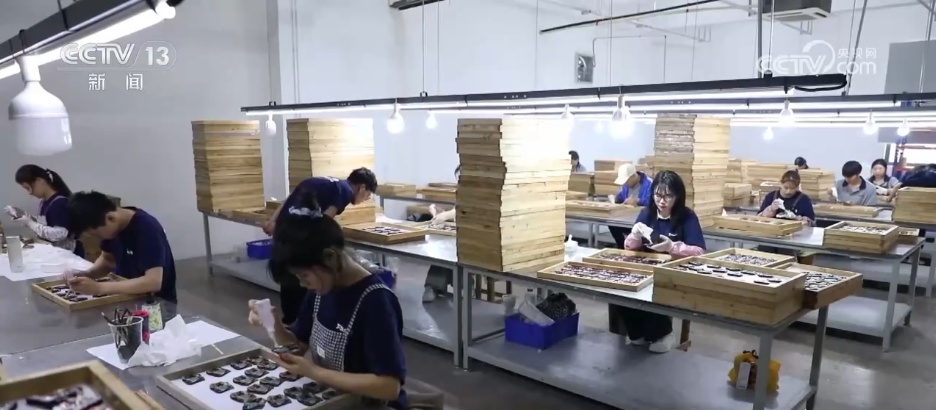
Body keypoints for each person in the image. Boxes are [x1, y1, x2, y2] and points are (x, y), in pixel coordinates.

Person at [249, 189, 408, 409]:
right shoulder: (321, 289)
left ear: (330, 257)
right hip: (333, 398)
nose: (303, 284)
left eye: (304, 276)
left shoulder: (376, 302)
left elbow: (389, 386)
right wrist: (274, 325)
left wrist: (315, 372)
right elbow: (299, 346)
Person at [265, 167, 378, 325]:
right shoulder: (345, 192)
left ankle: (290, 320)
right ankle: (300, 322)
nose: (365, 199)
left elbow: (289, 199)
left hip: (285, 232)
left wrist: (272, 221)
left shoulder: (327, 182)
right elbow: (323, 224)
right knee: (303, 281)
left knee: (291, 278)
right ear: (362, 187)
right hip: (299, 239)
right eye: (368, 195)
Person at [608, 171, 705, 354]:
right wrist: (634, 236)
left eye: (668, 196)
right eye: (658, 195)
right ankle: (637, 332)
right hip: (646, 268)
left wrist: (672, 247)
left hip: (673, 271)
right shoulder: (647, 213)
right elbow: (629, 248)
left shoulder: (687, 216)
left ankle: (663, 334)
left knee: (654, 291)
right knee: (620, 289)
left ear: (678, 196)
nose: (662, 201)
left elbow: (699, 251)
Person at [64, 191, 177, 303]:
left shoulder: (147, 229)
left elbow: (153, 282)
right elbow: (107, 260)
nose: (97, 238)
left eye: (97, 234)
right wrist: (89, 274)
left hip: (155, 302)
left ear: (111, 218)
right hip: (125, 296)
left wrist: (99, 288)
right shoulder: (112, 227)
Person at [6, 165, 83, 257]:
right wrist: (26, 217)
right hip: (55, 252)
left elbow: (60, 234)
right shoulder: (44, 202)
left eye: (28, 188)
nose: (29, 193)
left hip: (69, 254)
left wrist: (30, 223)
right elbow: (45, 224)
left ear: (39, 181)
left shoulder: (60, 203)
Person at [422, 166, 458, 303]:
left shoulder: (482, 190)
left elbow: (472, 209)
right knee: (442, 246)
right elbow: (459, 209)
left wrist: (448, 214)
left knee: (451, 249)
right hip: (461, 232)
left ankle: (436, 286)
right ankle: (433, 286)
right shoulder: (464, 190)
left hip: (481, 236)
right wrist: (441, 213)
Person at [607, 164, 652, 248]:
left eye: (627, 181)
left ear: (633, 176)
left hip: (642, 220)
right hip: (627, 218)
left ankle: (639, 248)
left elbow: (654, 203)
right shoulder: (626, 185)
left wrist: (638, 201)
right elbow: (620, 197)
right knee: (612, 223)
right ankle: (622, 247)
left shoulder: (649, 184)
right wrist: (614, 198)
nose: (625, 183)